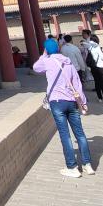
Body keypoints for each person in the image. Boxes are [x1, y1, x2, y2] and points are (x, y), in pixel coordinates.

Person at [34, 38, 93, 177]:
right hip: (72, 101)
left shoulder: (47, 61)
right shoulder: (68, 62)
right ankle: (87, 164)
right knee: (80, 134)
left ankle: (72, 167)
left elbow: (36, 67)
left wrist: (44, 54)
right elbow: (77, 84)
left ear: (47, 49)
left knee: (65, 135)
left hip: (57, 101)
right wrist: (83, 102)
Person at [80, 30, 103, 102]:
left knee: (97, 81)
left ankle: (99, 98)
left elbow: (83, 46)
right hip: (100, 66)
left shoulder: (89, 46)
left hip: (92, 66)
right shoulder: (97, 47)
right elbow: (102, 57)